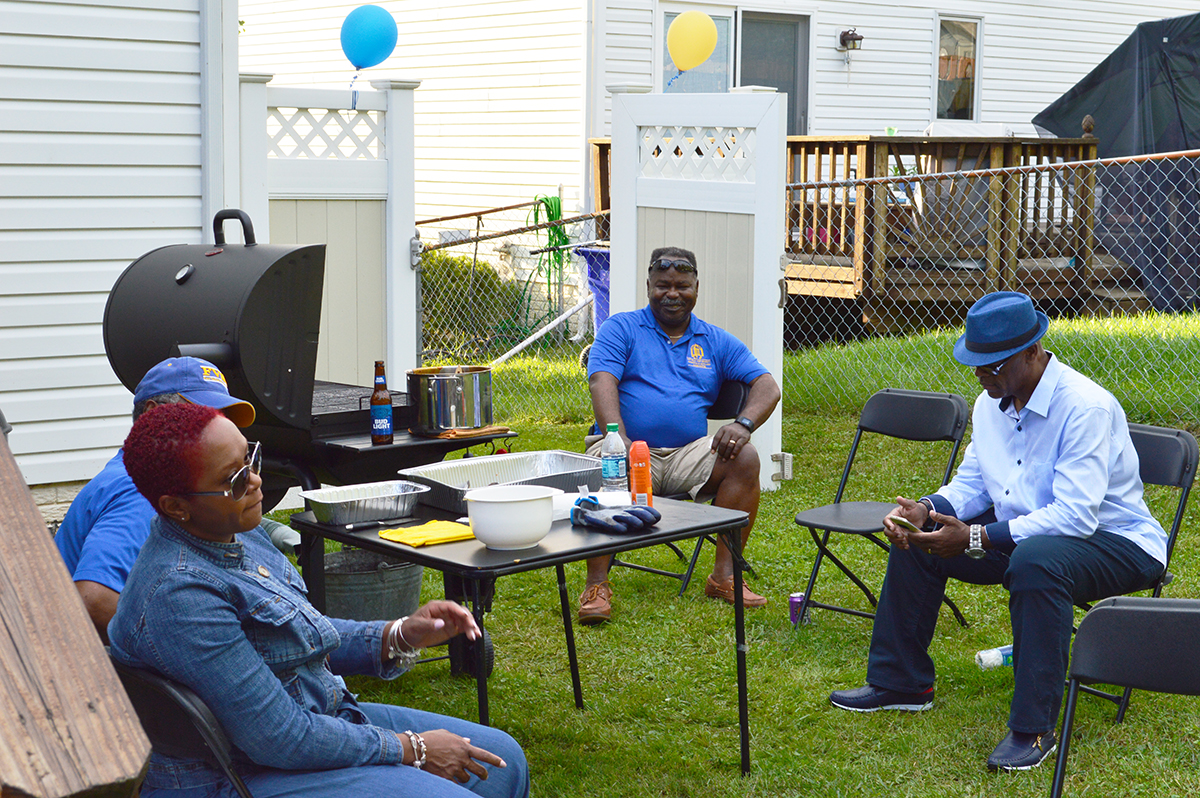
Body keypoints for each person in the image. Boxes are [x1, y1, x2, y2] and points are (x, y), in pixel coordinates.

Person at [109, 402, 529, 798]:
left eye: (250, 458)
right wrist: (413, 748)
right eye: (233, 479)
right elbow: (281, 738)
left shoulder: (235, 528)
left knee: (505, 764)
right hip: (239, 776)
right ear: (176, 506)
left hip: (312, 720)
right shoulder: (180, 595)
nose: (255, 480)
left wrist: (398, 634)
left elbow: (296, 633)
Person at [830, 292, 1166, 773]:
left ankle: (1034, 729)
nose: (982, 375)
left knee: (1037, 563)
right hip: (1031, 533)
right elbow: (973, 482)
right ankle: (900, 683)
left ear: (1034, 351)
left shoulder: (1085, 407)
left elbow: (1075, 517)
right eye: (976, 365)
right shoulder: (992, 401)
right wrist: (927, 510)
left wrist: (974, 539)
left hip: (1116, 540)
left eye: (994, 365)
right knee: (917, 538)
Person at [579, 247, 781, 624]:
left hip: (687, 454)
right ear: (649, 286)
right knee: (604, 465)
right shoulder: (621, 328)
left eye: (682, 286)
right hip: (626, 449)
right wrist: (615, 437)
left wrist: (743, 424)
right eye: (662, 286)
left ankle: (724, 576)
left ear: (696, 288)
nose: (672, 293)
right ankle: (596, 585)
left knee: (747, 457)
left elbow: (767, 387)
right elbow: (601, 380)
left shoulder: (715, 340)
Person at [54, 356, 299, 642]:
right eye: (204, 415)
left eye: (225, 417)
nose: (220, 428)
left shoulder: (134, 471)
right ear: (152, 415)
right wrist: (189, 649)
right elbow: (94, 600)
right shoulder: (143, 491)